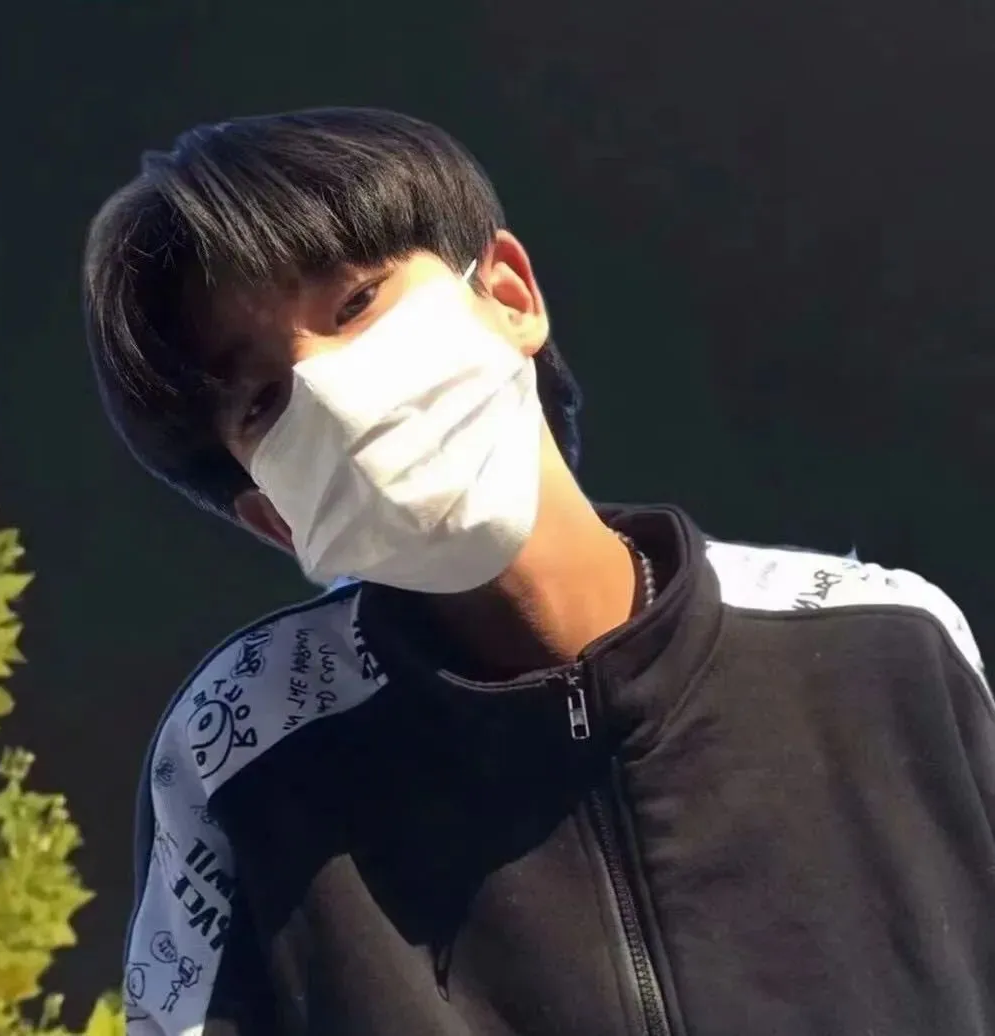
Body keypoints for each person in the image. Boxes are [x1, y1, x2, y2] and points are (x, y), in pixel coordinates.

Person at [83, 108, 995, 1036]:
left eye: (355, 303)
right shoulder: (241, 751)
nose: (328, 390)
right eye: (263, 401)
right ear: (273, 518)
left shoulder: (883, 644)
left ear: (509, 294)